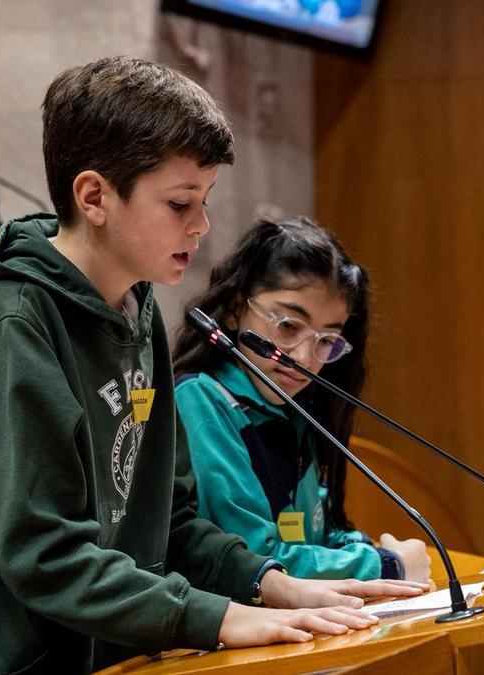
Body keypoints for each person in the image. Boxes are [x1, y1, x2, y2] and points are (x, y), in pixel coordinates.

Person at [0, 57, 425, 675]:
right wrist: (215, 617)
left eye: (206, 199)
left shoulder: (136, 309)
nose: (202, 225)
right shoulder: (10, 323)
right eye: (180, 203)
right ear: (94, 197)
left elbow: (171, 520)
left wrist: (270, 584)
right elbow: (45, 554)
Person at [172, 216, 434, 584]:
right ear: (234, 310)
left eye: (327, 340)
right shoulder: (202, 400)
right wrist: (383, 565)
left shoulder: (293, 406)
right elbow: (256, 560)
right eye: (289, 327)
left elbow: (316, 534)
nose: (305, 359)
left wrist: (365, 546)